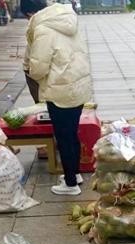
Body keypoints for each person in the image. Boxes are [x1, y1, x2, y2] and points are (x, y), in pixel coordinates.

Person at [27, 2, 91, 195]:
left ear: (31, 12)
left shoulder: (43, 28)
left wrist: (32, 72)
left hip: (60, 90)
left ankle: (70, 184)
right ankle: (75, 173)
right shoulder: (69, 20)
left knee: (63, 137)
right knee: (72, 133)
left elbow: (38, 68)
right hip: (78, 85)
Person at [22, 0, 47, 103]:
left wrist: (30, 70)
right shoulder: (56, 19)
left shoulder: (39, 27)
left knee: (44, 108)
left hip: (39, 74)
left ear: (30, 13)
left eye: (27, 17)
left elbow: (41, 61)